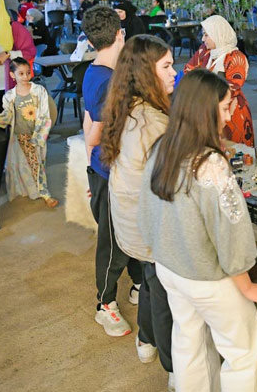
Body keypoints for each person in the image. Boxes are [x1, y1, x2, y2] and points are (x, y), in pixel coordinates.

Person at [138, 69, 257, 392]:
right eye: (225, 108)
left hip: (170, 269)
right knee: (242, 351)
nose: (229, 116)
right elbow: (230, 231)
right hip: (206, 277)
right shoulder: (209, 163)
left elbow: (145, 209)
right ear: (204, 110)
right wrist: (246, 284)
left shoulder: (162, 147)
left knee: (189, 340)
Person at [101, 34, 176, 384]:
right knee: (164, 295)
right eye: (167, 66)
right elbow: (170, 185)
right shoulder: (153, 122)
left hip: (132, 222)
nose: (174, 72)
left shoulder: (127, 107)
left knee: (150, 280)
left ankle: (146, 339)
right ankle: (174, 368)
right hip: (150, 226)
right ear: (147, 73)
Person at [81, 5, 143, 337]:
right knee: (113, 242)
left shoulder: (93, 72)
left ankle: (139, 283)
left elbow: (86, 121)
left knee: (130, 230)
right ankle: (104, 304)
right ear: (120, 34)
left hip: (106, 170)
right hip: (109, 173)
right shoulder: (107, 82)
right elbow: (93, 134)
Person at [0, 57, 57, 207]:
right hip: (20, 134)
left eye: (28, 72)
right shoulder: (9, 96)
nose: (25, 76)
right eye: (21, 73)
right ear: (12, 75)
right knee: (31, 164)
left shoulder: (39, 91)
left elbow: (45, 114)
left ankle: (39, 191)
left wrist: (38, 136)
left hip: (36, 134)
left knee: (37, 163)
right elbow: (7, 116)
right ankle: (42, 193)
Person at [184, 15, 254, 146]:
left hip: (231, 112)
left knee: (233, 149)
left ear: (218, 35)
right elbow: (188, 71)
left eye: (206, 35)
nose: (203, 39)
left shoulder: (236, 57)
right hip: (206, 109)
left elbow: (232, 88)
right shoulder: (205, 51)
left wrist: (200, 89)